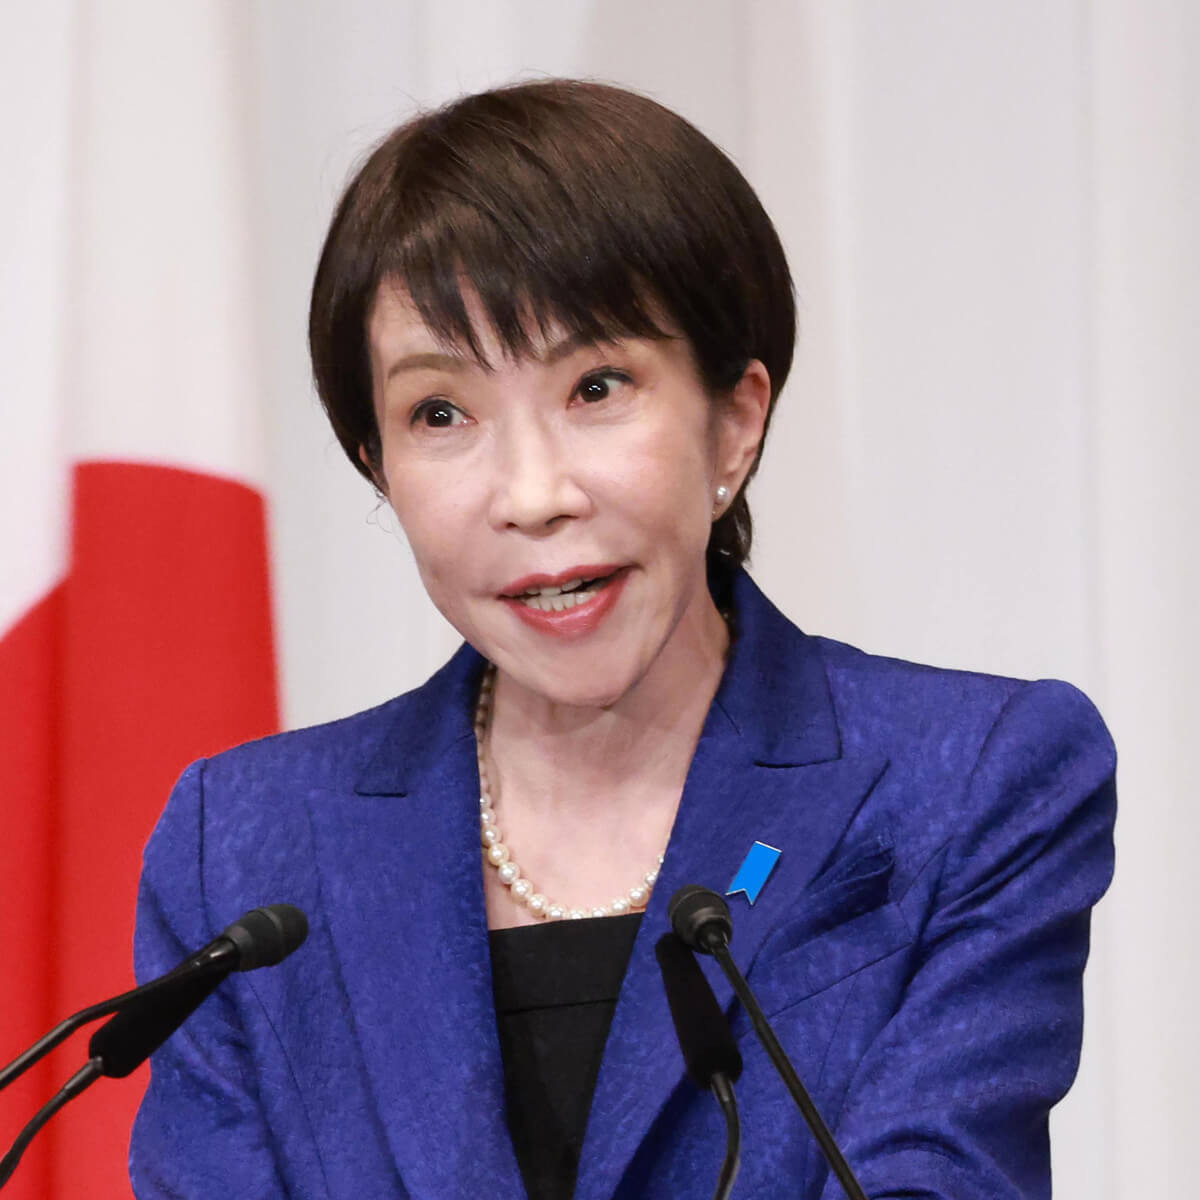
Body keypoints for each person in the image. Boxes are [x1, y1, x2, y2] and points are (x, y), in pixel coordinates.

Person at [129, 79, 1116, 1199]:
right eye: (440, 414)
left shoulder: (973, 779)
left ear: (733, 422)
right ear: (379, 466)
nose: (532, 494)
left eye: (596, 387)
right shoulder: (245, 851)